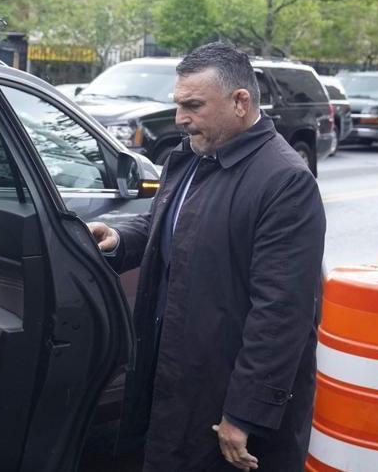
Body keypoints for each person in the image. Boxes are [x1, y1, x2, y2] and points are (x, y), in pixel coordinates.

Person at [87, 43, 326, 471]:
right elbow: (172, 224)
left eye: (193, 106)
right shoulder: (195, 156)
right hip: (178, 377)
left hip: (221, 398)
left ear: (240, 102)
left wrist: (243, 414)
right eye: (179, 105)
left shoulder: (285, 181)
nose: (181, 119)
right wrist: (120, 239)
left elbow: (282, 315)